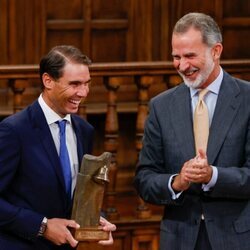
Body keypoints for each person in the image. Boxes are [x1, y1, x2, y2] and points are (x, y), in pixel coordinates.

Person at [134, 12, 250, 250]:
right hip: (179, 239)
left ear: (216, 51)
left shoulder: (247, 99)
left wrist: (212, 175)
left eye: (189, 56)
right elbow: (145, 178)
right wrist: (178, 181)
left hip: (237, 238)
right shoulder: (161, 106)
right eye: (176, 57)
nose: (182, 66)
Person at [0, 45, 116, 249]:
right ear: (48, 81)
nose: (83, 92)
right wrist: (42, 226)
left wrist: (95, 220)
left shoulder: (84, 130)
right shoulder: (14, 131)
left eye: (87, 84)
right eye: (75, 84)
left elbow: (75, 196)